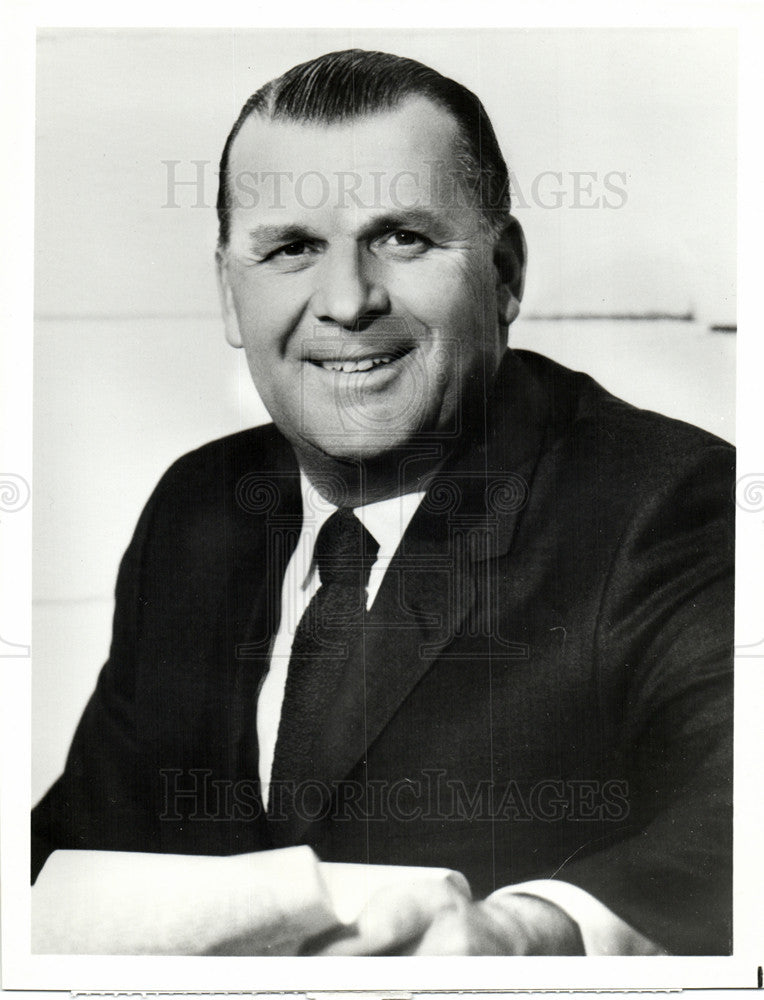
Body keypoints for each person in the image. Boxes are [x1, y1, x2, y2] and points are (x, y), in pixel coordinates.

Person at [31, 48, 734, 956]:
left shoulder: (673, 502)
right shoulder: (198, 509)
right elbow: (87, 834)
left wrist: (533, 936)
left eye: (402, 238)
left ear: (507, 273)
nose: (349, 301)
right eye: (291, 249)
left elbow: (735, 812)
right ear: (230, 297)